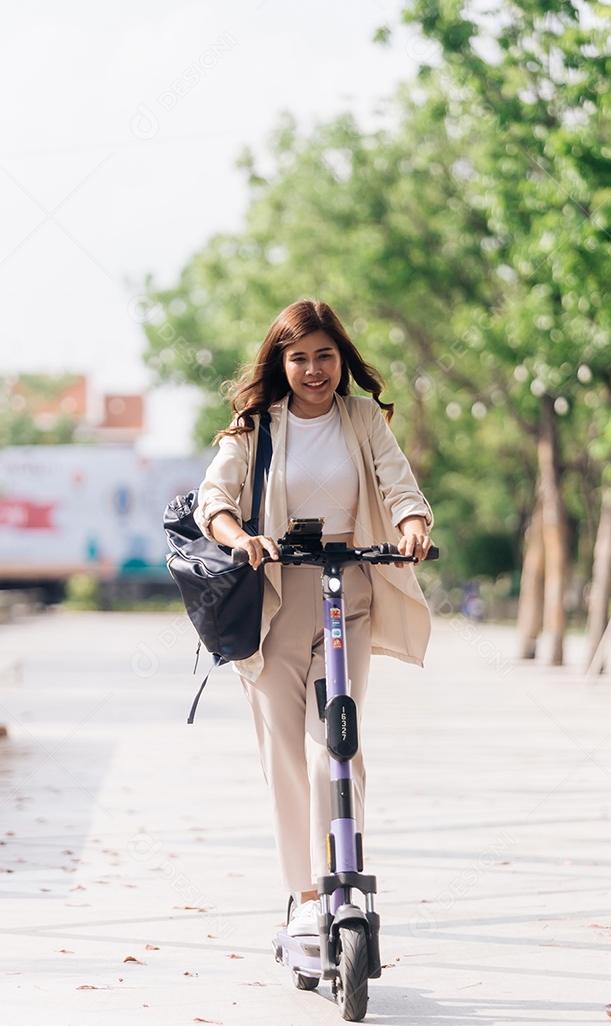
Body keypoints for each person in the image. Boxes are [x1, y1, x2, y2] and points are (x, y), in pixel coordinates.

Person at [194, 299, 434, 935]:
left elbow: (397, 483)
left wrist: (412, 522)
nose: (313, 370)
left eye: (324, 356)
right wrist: (237, 536)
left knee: (338, 740)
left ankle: (342, 881)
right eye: (298, 358)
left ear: (341, 359)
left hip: (344, 596)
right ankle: (303, 898)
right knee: (284, 751)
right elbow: (213, 498)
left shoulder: (361, 418)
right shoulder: (257, 425)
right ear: (281, 362)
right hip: (276, 602)